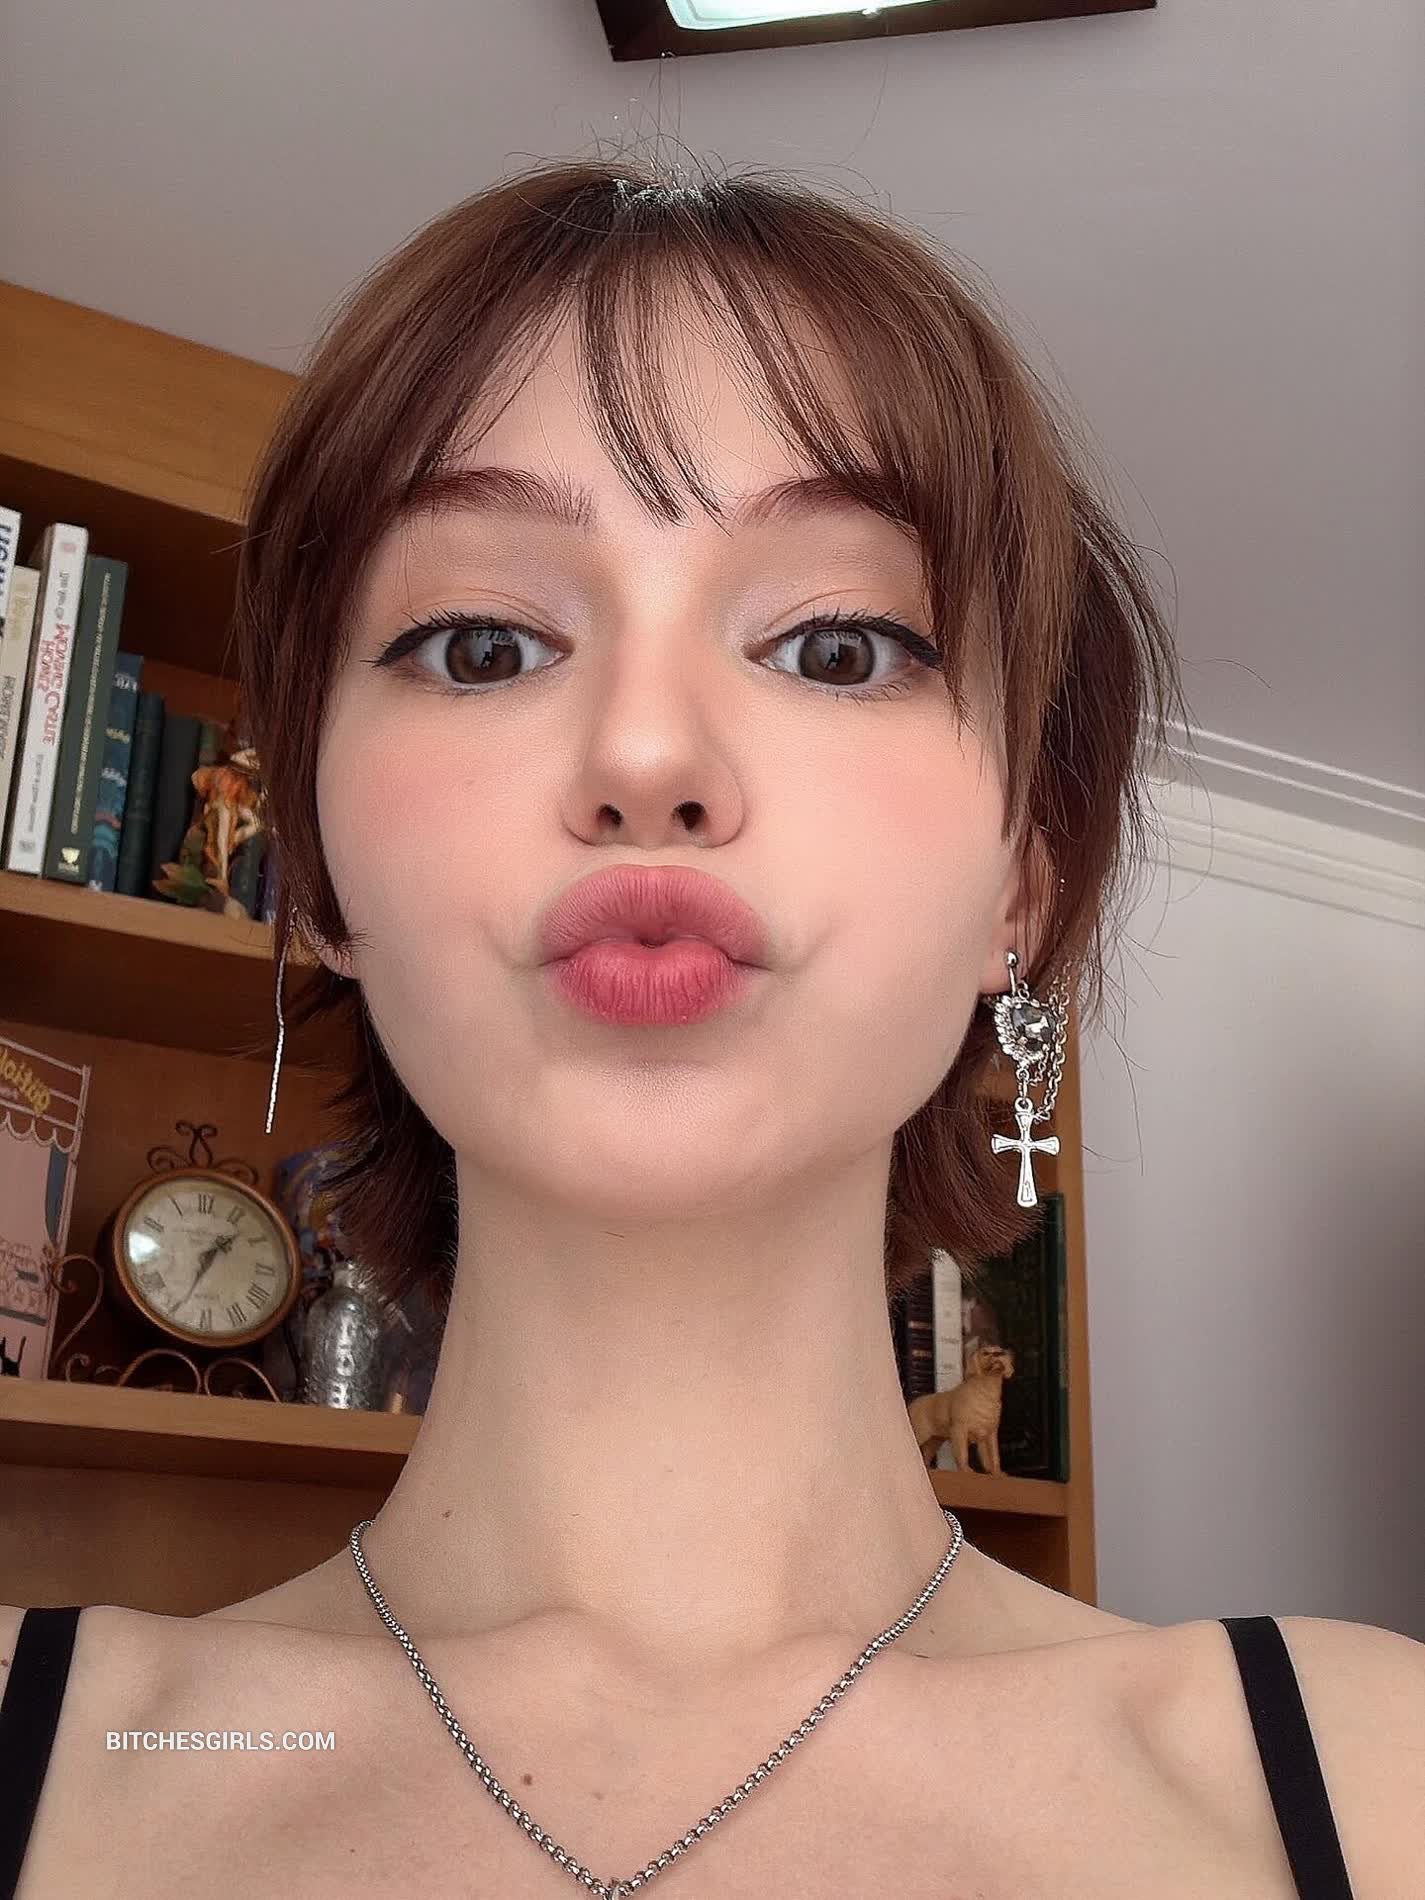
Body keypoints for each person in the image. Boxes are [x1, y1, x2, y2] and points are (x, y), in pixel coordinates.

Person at [2, 154, 1421, 1900]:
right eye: (480, 645)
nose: (646, 757)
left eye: (836, 648)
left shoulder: (1378, 1778)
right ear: (313, 869)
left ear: (1022, 887)